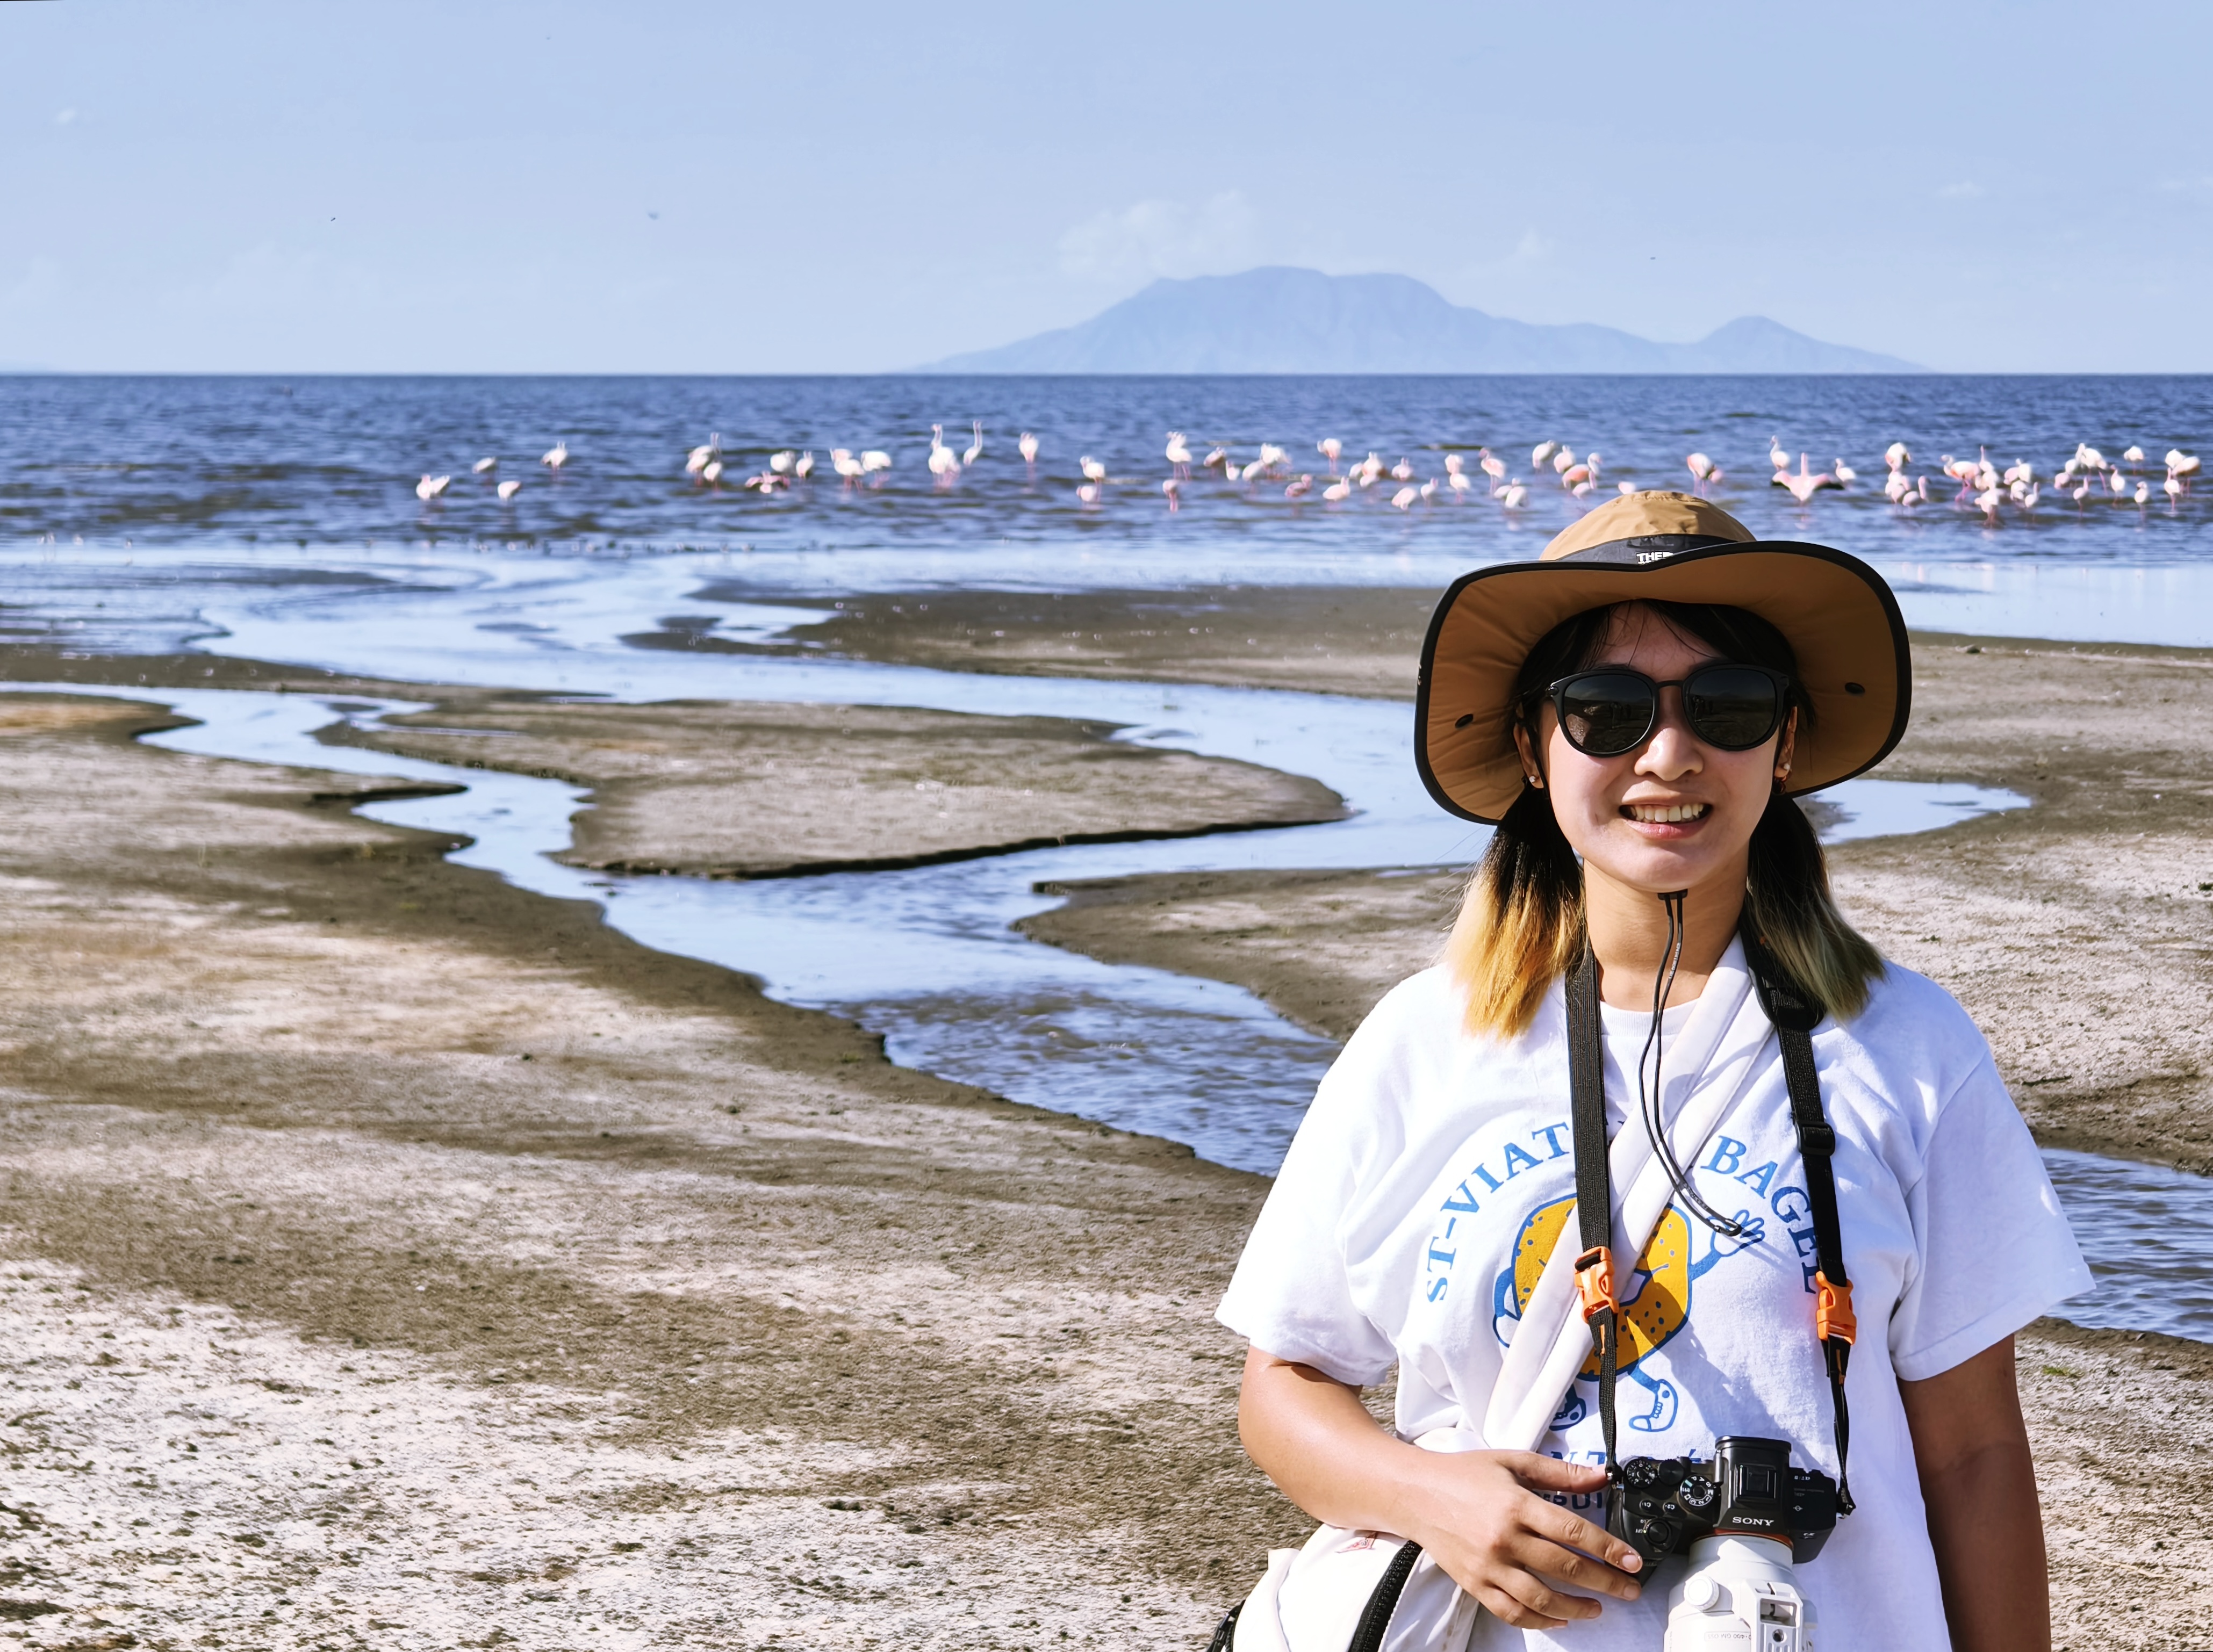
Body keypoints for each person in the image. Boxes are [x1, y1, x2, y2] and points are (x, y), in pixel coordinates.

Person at [1218, 492, 2089, 1650]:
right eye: (1605, 710)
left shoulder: (1902, 1046)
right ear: (1532, 743)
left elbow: (1975, 1455)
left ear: (1783, 742)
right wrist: (1436, 1496)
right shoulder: (1421, 1042)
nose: (1669, 753)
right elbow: (1283, 1386)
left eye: (1726, 705)